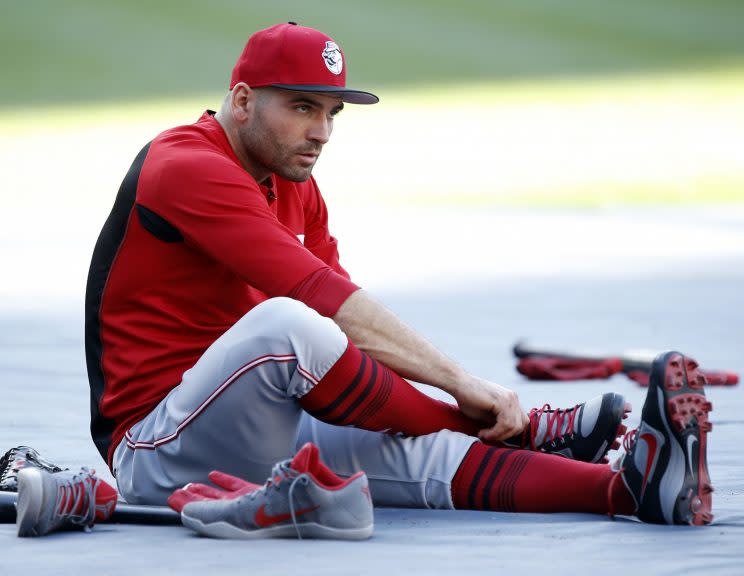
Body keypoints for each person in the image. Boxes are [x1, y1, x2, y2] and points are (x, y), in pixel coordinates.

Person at [75, 22, 710, 534]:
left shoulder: (296, 184)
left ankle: (628, 489)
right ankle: (525, 432)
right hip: (156, 446)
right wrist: (463, 390)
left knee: (403, 441)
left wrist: (445, 397)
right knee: (288, 325)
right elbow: (321, 304)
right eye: (301, 107)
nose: (320, 132)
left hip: (243, 420)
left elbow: (347, 335)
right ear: (242, 100)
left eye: (331, 113)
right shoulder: (186, 164)